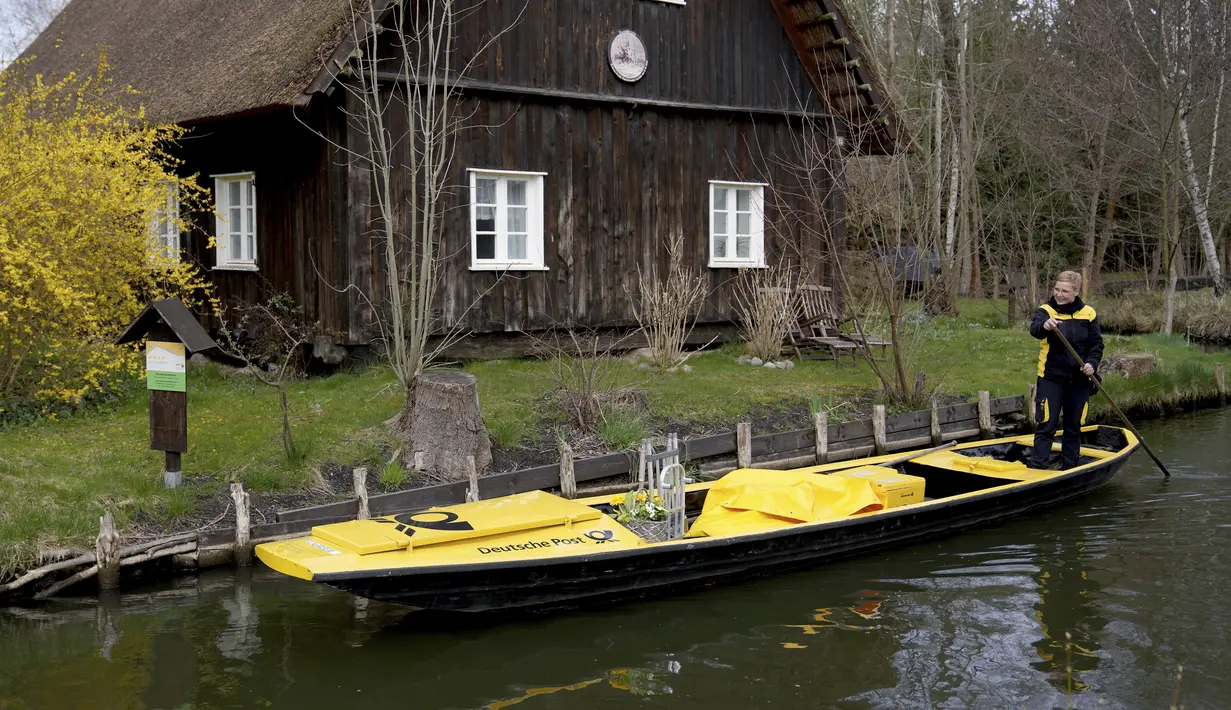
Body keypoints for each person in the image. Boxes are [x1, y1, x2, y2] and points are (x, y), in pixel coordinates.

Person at [1028, 270, 1103, 470]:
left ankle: (1070, 467)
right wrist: (1046, 325)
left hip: (1079, 380)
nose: (1059, 294)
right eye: (1057, 289)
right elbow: (1035, 329)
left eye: (1065, 291)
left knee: (1073, 426)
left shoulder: (1089, 313)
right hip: (1051, 378)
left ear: (1076, 292)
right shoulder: (1046, 310)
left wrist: (1092, 364)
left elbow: (1096, 345)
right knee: (1046, 424)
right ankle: (1039, 468)